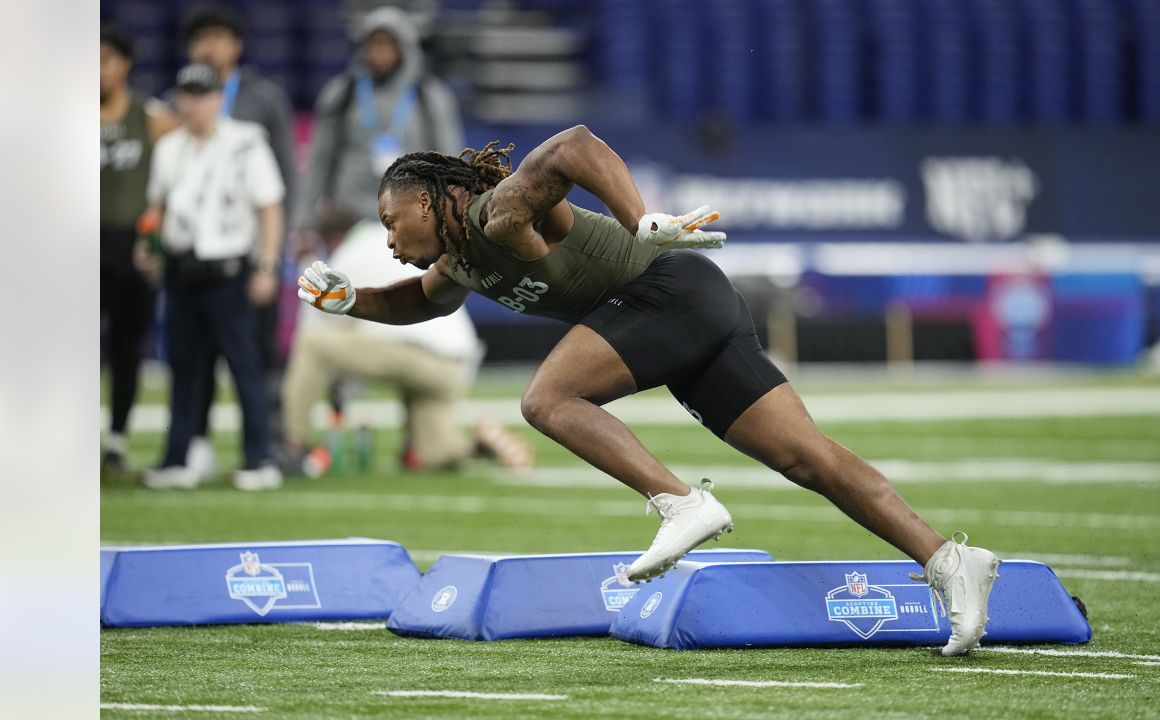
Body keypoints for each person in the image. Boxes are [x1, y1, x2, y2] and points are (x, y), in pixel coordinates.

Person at [296, 126, 1001, 656]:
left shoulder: (498, 215)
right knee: (806, 457)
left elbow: (574, 145)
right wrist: (347, 300)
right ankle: (948, 560)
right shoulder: (457, 259)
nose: (387, 238)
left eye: (391, 220)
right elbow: (420, 301)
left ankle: (682, 503)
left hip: (667, 291)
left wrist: (640, 217)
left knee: (547, 399)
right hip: (685, 311)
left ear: (426, 199)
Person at [282, 216, 532, 475]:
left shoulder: (347, 252)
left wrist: (339, 392)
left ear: (333, 238)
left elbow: (320, 328)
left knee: (311, 345)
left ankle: (294, 446)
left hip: (413, 354)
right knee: (437, 456)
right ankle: (481, 445)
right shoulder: (395, 238)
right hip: (455, 365)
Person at [139, 64, 285, 492]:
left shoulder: (245, 142)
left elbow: (269, 207)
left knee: (244, 366)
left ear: (218, 99)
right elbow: (157, 207)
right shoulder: (170, 148)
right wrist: (148, 247)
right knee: (183, 367)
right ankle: (177, 457)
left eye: (203, 95)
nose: (194, 104)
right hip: (182, 270)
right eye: (187, 95)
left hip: (229, 270)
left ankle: (259, 458)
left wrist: (267, 264)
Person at [179, 4, 297, 477]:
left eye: (218, 37)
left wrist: (274, 255)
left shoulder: (263, 100)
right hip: (195, 255)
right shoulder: (178, 101)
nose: (209, 47)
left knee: (257, 356)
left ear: (237, 45)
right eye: (200, 38)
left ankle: (265, 446)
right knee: (194, 356)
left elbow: (284, 176)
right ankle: (196, 443)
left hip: (249, 251)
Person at [294, 4, 463, 228]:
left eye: (388, 44)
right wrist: (304, 221)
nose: (379, 52)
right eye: (373, 44)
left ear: (404, 47)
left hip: (413, 218)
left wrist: (453, 220)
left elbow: (450, 162)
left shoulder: (429, 97)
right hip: (350, 217)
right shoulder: (342, 94)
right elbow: (320, 160)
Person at [100, 25, 178, 476]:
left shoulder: (151, 117)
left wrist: (157, 229)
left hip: (130, 247)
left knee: (126, 347)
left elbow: (177, 175)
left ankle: (116, 441)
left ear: (125, 64)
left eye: (105, 59)